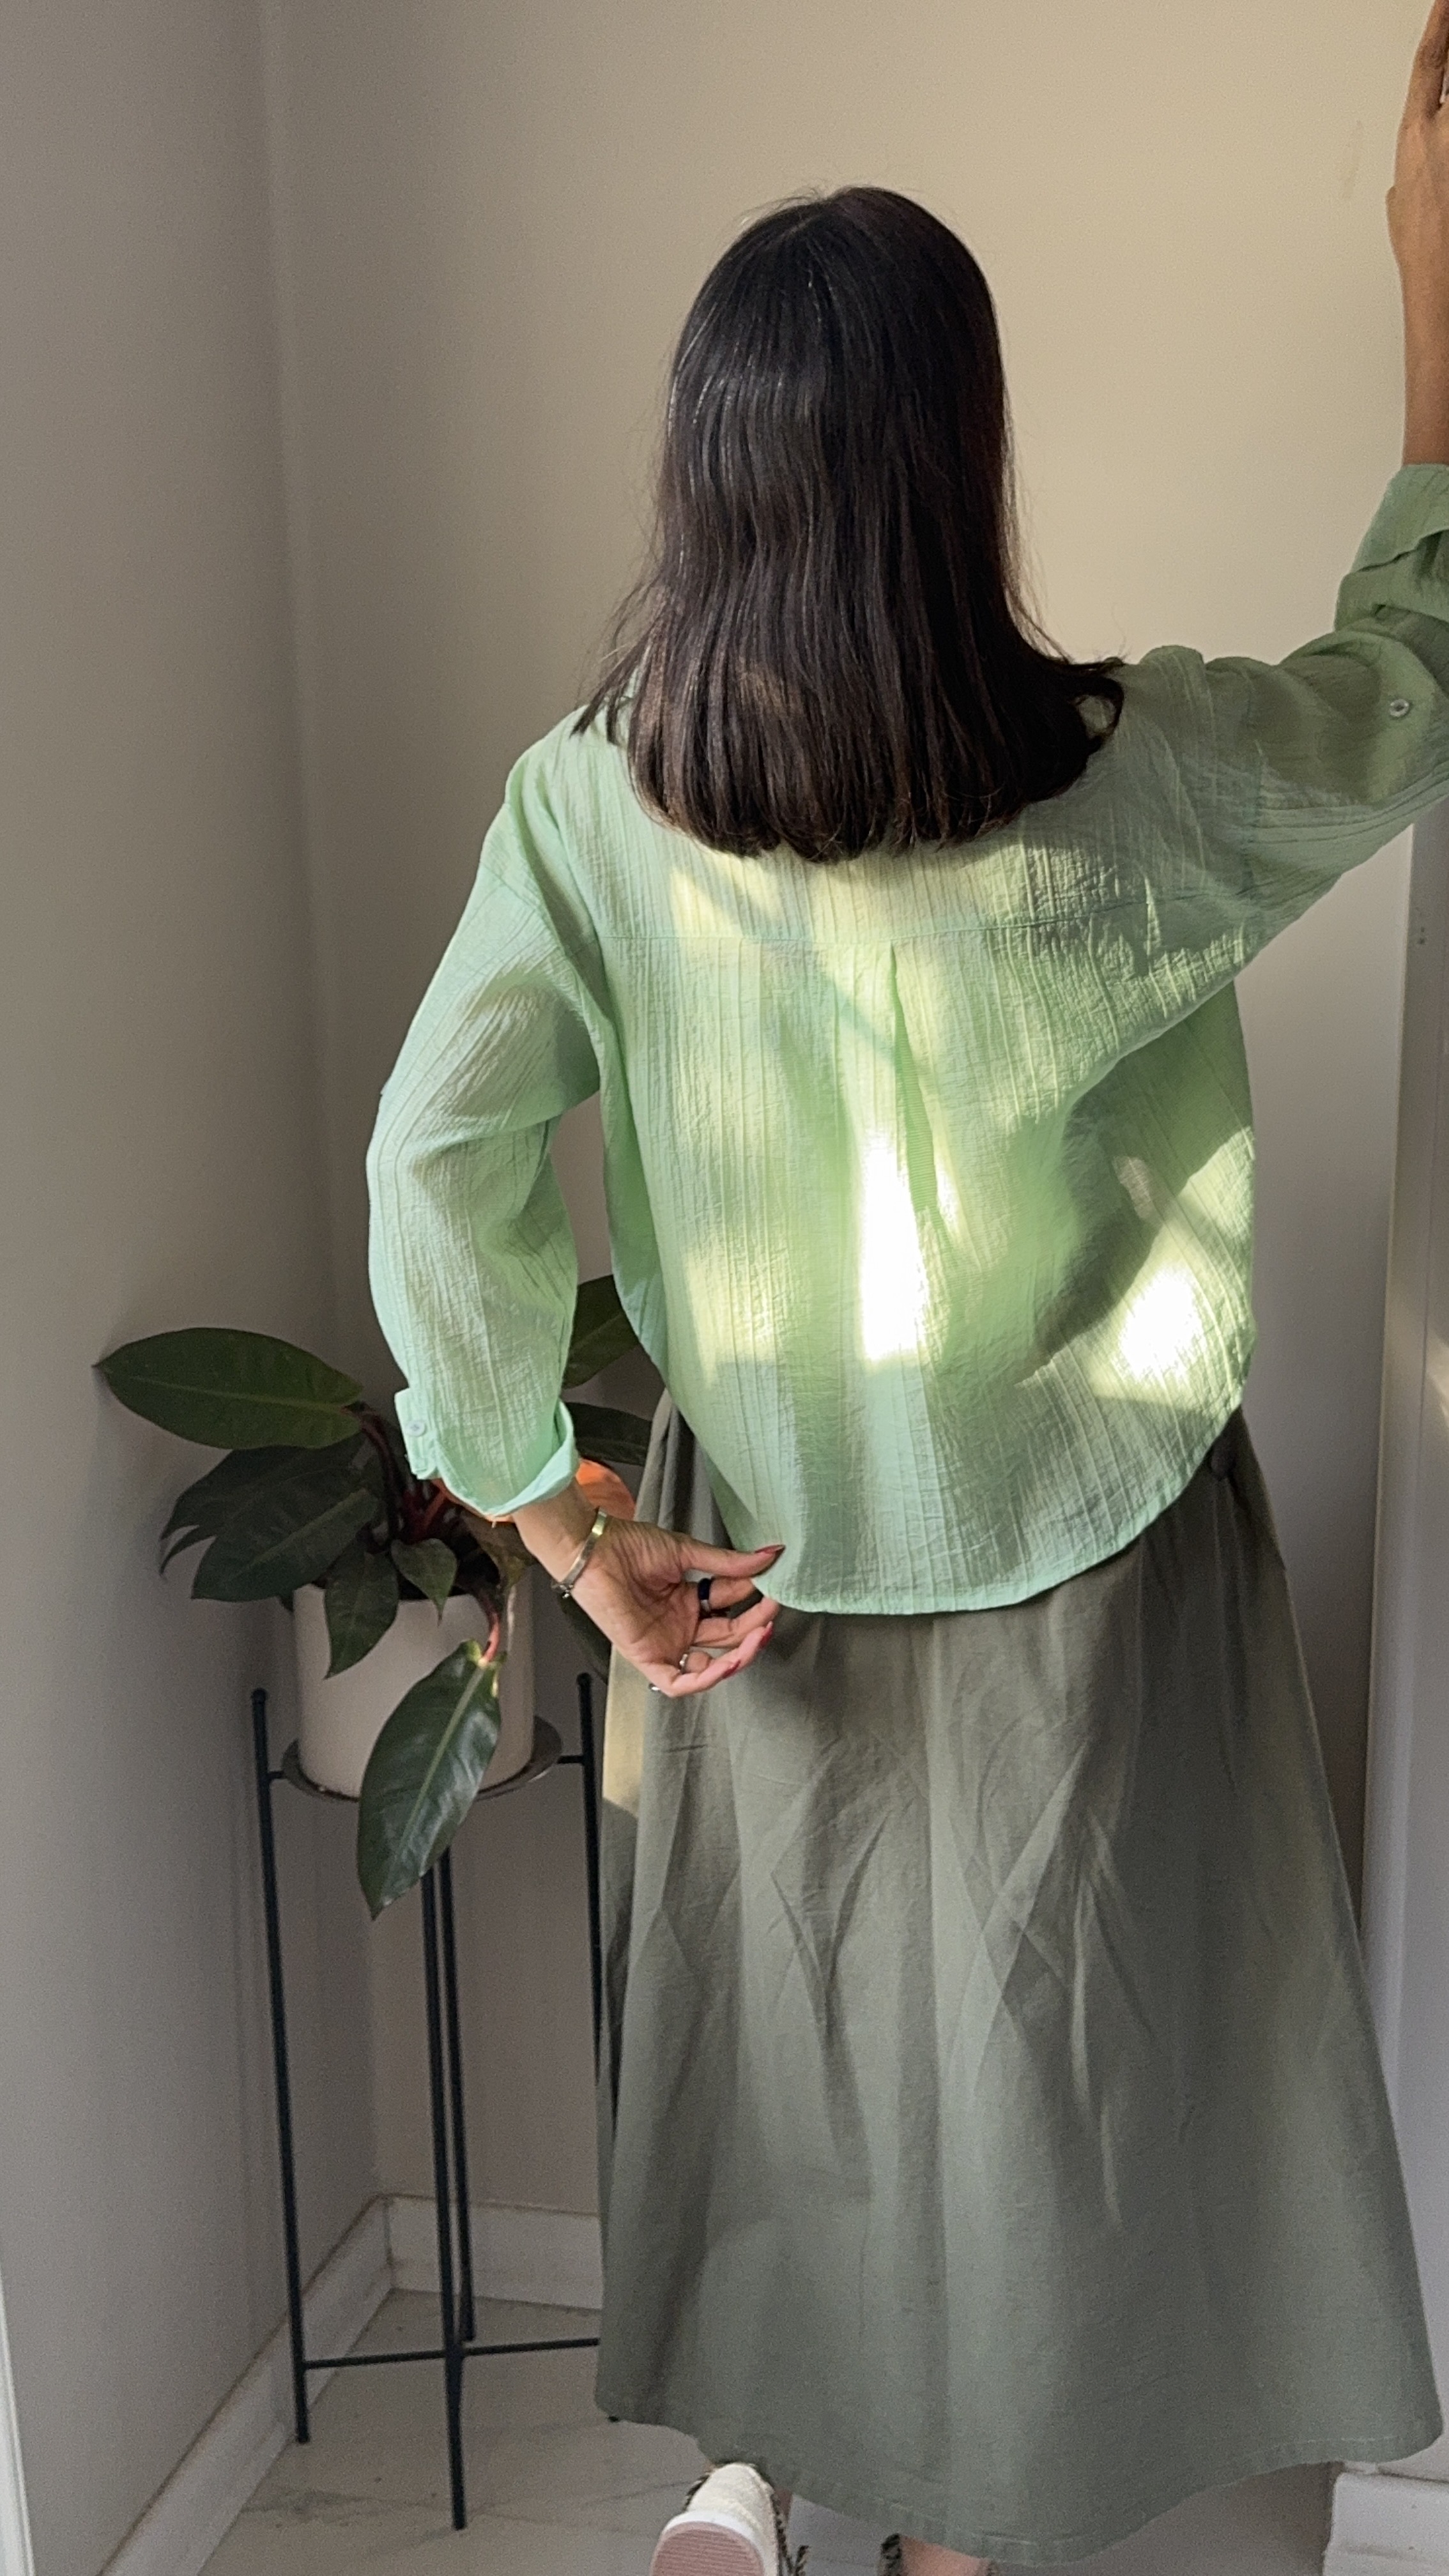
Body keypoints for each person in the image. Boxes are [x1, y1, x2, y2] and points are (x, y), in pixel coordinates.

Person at [364, 7, 1449, 2568]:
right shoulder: (1136, 775)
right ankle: (963, 2534)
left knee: (816, 2064)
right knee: (1054, 2100)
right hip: (1106, 1553)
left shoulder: (589, 807)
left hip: (762, 1556)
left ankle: (769, 2485)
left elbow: (436, 1157)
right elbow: (1411, 691)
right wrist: (1431, 311)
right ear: (967, 467)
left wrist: (559, 1526)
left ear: (704, 482)